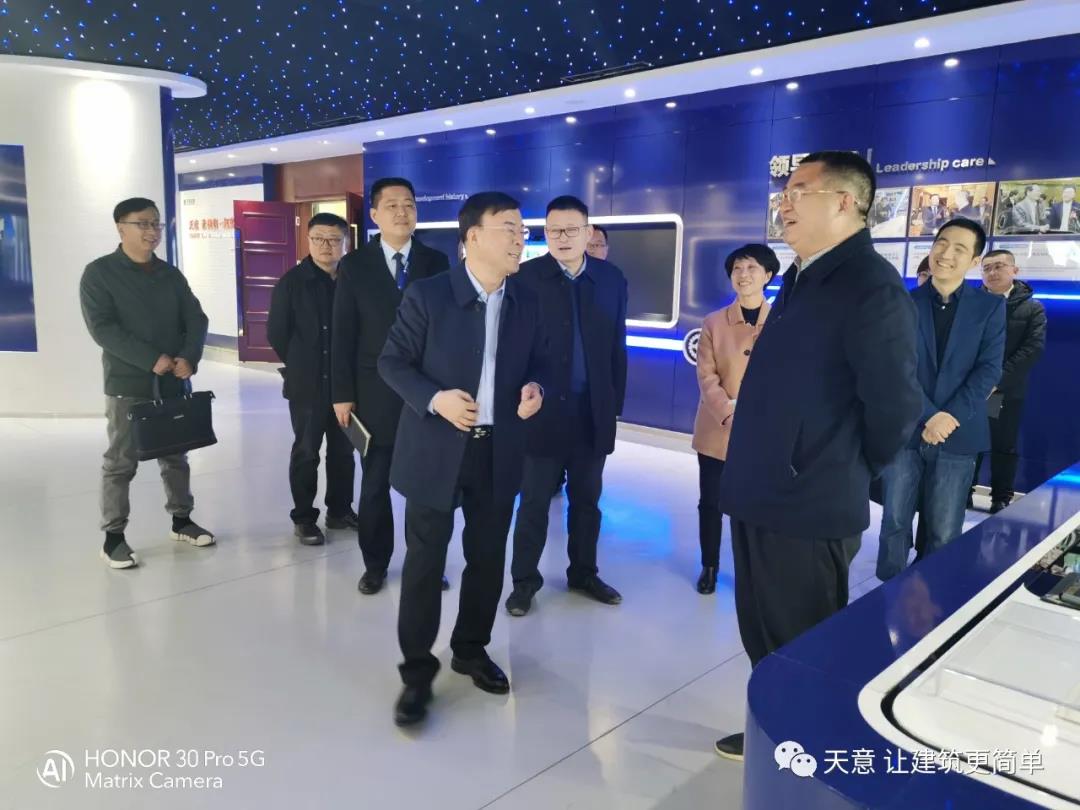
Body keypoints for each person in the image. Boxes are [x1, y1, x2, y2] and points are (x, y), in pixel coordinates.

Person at [713, 152, 922, 760]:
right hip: (760, 490)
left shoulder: (870, 287)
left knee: (804, 637)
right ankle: (775, 726)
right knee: (763, 629)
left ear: (844, 202)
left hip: (808, 501)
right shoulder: (804, 277)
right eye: (784, 192)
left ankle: (810, 748)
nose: (784, 203)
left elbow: (894, 408)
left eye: (799, 191)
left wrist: (840, 468)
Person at [378, 191, 546, 727]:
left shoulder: (526, 301)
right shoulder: (429, 295)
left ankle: (471, 649)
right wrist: (435, 399)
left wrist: (535, 388)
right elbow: (392, 362)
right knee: (425, 564)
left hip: (499, 450)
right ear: (473, 237)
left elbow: (539, 363)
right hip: (436, 449)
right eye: (509, 228)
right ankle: (416, 675)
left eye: (522, 230)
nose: (520, 239)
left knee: (487, 558)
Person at [505, 196, 628, 617]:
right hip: (541, 411)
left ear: (588, 232)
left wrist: (614, 405)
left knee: (587, 501)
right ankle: (524, 581)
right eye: (553, 229)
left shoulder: (611, 279)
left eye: (571, 229)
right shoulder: (523, 278)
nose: (562, 237)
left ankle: (583, 573)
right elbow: (511, 349)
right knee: (534, 502)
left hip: (592, 412)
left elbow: (617, 347)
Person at [80, 197, 214, 569]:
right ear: (120, 227)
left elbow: (196, 318)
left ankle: (182, 520)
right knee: (121, 462)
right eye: (143, 223)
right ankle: (113, 537)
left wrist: (189, 356)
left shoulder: (170, 274)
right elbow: (103, 328)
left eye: (156, 223)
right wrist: (149, 358)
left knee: (176, 455)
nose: (152, 231)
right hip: (128, 384)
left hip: (172, 380)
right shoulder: (100, 273)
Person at [332, 178, 451, 594]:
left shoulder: (437, 261)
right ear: (375, 214)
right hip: (373, 391)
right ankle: (375, 564)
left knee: (428, 487)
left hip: (427, 392)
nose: (403, 212)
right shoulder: (354, 266)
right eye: (393, 205)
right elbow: (342, 334)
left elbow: (448, 329)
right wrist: (341, 394)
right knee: (374, 485)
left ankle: (427, 564)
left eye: (410, 204)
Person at [877, 219, 1005, 581]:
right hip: (906, 429)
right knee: (894, 522)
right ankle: (887, 595)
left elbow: (988, 370)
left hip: (958, 431)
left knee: (945, 529)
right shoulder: (902, 302)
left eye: (959, 249)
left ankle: (934, 595)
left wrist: (948, 418)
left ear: (975, 261)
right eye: (941, 243)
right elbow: (893, 368)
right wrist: (930, 416)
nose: (946, 254)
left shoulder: (989, 307)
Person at [691, 244, 776, 595]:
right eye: (737, 269)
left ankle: (752, 570)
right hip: (717, 429)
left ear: (767, 275)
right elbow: (706, 376)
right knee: (711, 502)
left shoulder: (783, 321)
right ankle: (709, 566)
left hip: (763, 432)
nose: (743, 275)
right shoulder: (713, 322)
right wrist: (728, 412)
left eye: (752, 268)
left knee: (753, 505)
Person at [267, 213, 357, 545]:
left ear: (346, 243)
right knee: (307, 451)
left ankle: (339, 511)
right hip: (307, 386)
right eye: (318, 238)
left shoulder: (353, 280)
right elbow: (277, 333)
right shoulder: (292, 282)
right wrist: (301, 363)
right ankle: (304, 517)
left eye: (334, 239)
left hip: (347, 386)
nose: (325, 245)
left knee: (344, 452)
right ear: (308, 240)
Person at [971, 249, 1047, 512]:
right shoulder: (970, 304)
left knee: (1002, 443)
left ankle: (1001, 497)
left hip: (1003, 391)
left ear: (1014, 270)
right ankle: (964, 491)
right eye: (986, 268)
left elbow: (1032, 349)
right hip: (971, 388)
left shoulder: (1032, 308)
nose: (992, 272)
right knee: (969, 440)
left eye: (999, 266)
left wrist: (996, 381)